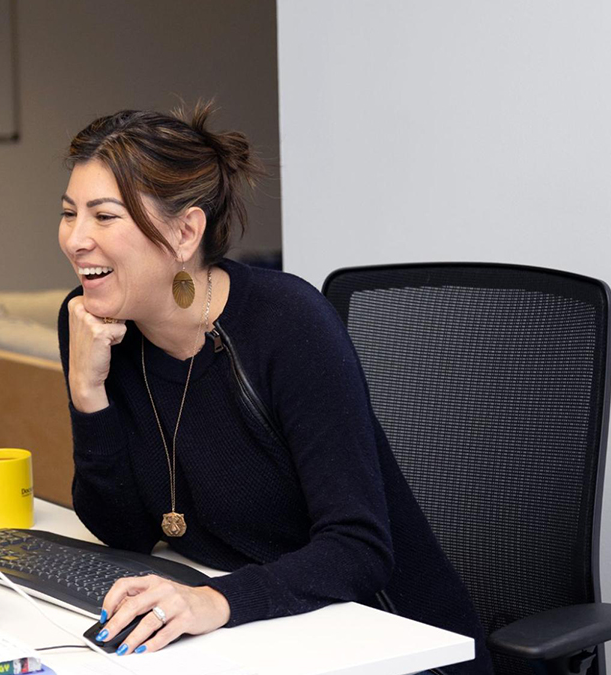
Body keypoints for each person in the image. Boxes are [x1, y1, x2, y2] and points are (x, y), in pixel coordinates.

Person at [56, 103, 492, 673]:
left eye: (104, 216)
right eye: (69, 214)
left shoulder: (287, 324)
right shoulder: (94, 326)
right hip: (256, 640)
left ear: (185, 231)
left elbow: (358, 548)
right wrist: (88, 394)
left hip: (387, 642)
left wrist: (214, 602)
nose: (75, 240)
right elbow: (124, 531)